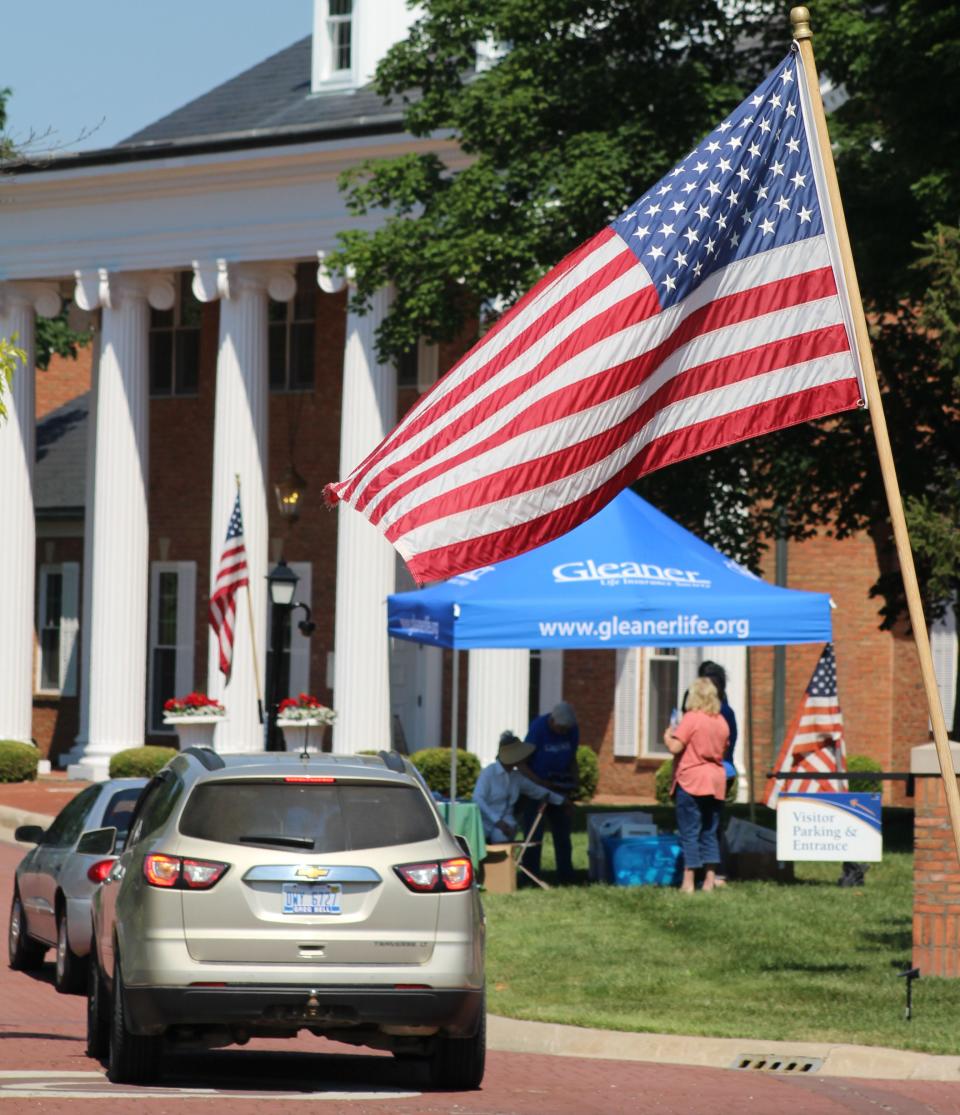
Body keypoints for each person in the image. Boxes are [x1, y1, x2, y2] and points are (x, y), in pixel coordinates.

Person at [664, 676, 729, 893]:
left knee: (689, 832)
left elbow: (675, 747)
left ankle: (688, 881)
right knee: (710, 832)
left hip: (692, 780)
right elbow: (724, 748)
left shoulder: (692, 718)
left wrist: (667, 736)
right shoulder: (721, 721)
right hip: (716, 780)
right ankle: (709, 880)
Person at [518, 701, 579, 883]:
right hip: (537, 788)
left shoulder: (572, 729)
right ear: (552, 721)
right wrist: (540, 784)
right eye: (560, 729)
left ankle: (566, 875)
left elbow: (572, 759)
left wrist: (574, 783)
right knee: (534, 834)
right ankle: (530, 875)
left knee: (562, 833)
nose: (563, 733)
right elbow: (523, 764)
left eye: (566, 730)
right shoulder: (537, 729)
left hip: (560, 787)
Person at [472, 732, 566, 843]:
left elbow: (537, 791)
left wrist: (563, 801)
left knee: (501, 837)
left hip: (507, 823)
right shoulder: (488, 773)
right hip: (484, 821)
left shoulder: (516, 777)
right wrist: (497, 821)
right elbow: (477, 799)